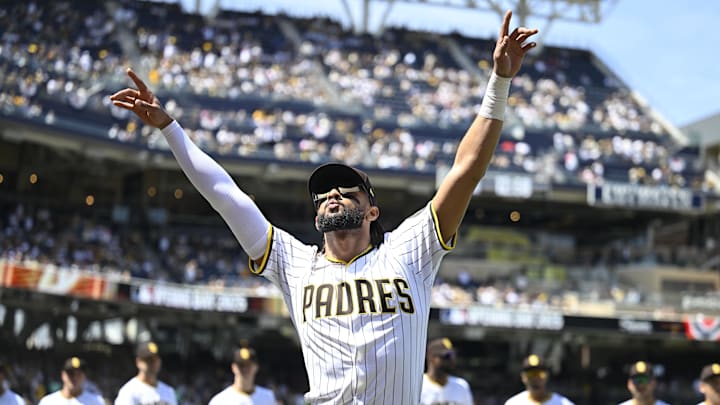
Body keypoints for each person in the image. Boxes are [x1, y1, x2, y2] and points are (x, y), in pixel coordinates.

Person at [110, 10, 537, 404]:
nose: (333, 195)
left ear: (372, 211)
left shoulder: (410, 250)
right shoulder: (292, 262)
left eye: (347, 190)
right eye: (324, 193)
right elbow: (227, 196)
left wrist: (499, 83)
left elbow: (465, 170)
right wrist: (170, 129)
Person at [208, 344, 276, 405]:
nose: (245, 369)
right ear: (233, 367)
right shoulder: (220, 401)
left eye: (248, 365)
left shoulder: (267, 397)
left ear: (256, 367)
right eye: (241, 365)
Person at [420, 337, 473, 405]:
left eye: (453, 355)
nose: (451, 359)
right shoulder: (420, 385)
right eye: (447, 356)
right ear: (432, 358)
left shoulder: (462, 386)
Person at [504, 354, 574, 405]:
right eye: (530, 374)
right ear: (523, 377)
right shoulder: (513, 403)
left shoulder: (563, 403)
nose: (535, 378)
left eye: (539, 374)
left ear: (547, 376)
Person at [38, 357, 104, 405]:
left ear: (84, 376)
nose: (74, 378)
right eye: (71, 374)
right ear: (63, 375)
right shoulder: (48, 402)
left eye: (78, 374)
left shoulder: (96, 402)